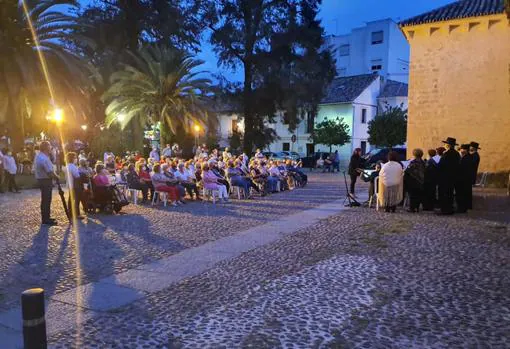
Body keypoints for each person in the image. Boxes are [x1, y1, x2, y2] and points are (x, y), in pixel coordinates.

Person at [34, 141, 59, 225]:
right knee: (46, 199)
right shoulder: (43, 158)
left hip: (42, 179)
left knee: (46, 199)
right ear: (46, 148)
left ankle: (46, 217)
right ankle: (45, 219)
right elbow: (50, 172)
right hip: (45, 180)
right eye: (49, 146)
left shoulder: (40, 156)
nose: (51, 148)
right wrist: (56, 177)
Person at [437, 137, 460, 215]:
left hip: (445, 177)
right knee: (450, 193)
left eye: (445, 144)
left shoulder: (446, 154)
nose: (444, 145)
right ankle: (449, 208)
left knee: (444, 193)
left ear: (448, 145)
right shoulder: (457, 154)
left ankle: (445, 209)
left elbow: (441, 165)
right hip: (453, 177)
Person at [404, 149, 426, 213]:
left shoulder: (413, 162)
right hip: (421, 180)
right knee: (418, 195)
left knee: (412, 195)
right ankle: (417, 207)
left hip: (413, 181)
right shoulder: (423, 162)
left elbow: (408, 171)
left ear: (414, 154)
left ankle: (412, 208)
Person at [65, 152, 84, 219]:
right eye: (75, 158)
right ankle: (76, 214)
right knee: (76, 200)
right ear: (72, 158)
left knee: (71, 199)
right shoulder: (73, 167)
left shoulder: (67, 166)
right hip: (75, 185)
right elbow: (77, 176)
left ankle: (70, 213)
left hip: (69, 185)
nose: (76, 159)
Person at [456, 144, 474, 213]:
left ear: (465, 150)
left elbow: (463, 169)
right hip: (464, 179)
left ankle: (462, 208)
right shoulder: (466, 157)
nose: (461, 150)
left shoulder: (467, 158)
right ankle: (462, 207)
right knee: (462, 194)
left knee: (462, 194)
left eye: (462, 149)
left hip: (463, 179)